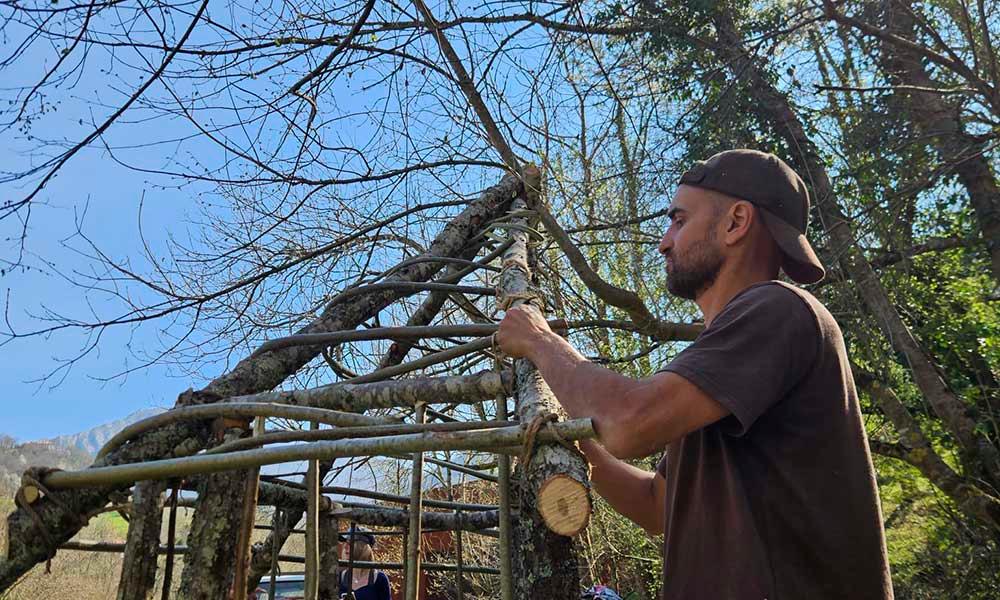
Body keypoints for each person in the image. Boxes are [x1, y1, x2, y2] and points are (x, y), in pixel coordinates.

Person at [497, 150, 893, 599]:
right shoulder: (720, 371)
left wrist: (540, 340)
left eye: (679, 221)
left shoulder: (779, 310)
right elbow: (660, 506)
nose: (665, 241)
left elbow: (629, 422)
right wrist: (576, 438)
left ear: (735, 222)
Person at [338, 528, 392, 600]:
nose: (345, 547)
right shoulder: (339, 577)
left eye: (351, 543)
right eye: (345, 542)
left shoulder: (379, 579)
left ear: (364, 547)